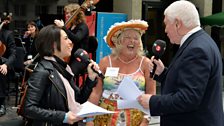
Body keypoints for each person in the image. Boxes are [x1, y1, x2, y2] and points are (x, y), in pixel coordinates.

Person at [137, 1, 224, 126]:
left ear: (177, 23)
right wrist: (163, 73)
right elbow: (188, 82)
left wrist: (152, 101)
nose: (165, 30)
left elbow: (188, 99)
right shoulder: (201, 41)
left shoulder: (196, 49)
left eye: (166, 24)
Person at [23, 24, 100, 126]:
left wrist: (90, 78)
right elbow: (29, 108)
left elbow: (79, 99)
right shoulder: (42, 71)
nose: (70, 42)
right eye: (66, 38)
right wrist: (63, 117)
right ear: (53, 44)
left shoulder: (64, 69)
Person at [86, 20, 156, 126]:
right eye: (127, 37)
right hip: (105, 119)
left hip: (136, 119)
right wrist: (89, 119)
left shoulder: (146, 63)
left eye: (136, 38)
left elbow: (151, 94)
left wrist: (146, 120)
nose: (132, 41)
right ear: (118, 41)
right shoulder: (105, 62)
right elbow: (96, 92)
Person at [0, 12, 16, 116]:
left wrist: (6, 64)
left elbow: (13, 54)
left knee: (0, 71)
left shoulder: (8, 34)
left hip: (4, 64)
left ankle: (1, 103)